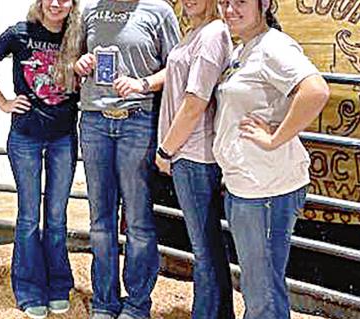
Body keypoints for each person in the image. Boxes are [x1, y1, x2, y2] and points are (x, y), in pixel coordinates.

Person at [214, 0, 330, 318]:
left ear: (264, 4)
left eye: (240, 2)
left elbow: (315, 90)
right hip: (246, 184)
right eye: (224, 2)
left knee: (262, 288)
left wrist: (276, 137)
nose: (230, 9)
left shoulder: (272, 47)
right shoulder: (244, 49)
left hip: (266, 187)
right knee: (258, 283)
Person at [0, 0, 81, 318]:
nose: (57, 4)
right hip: (25, 137)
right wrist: (3, 102)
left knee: (57, 217)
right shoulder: (19, 33)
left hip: (63, 137)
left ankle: (59, 285)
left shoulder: (78, 36)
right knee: (29, 217)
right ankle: (30, 289)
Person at [72, 1, 180, 318]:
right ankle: (104, 302)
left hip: (138, 120)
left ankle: (136, 305)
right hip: (94, 120)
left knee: (138, 220)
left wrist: (142, 84)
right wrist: (81, 64)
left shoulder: (158, 10)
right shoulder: (91, 8)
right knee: (100, 221)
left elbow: (175, 67)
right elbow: (75, 57)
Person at [155, 0, 234, 318]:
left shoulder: (212, 33)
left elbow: (195, 101)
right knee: (208, 246)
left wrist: (166, 149)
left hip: (195, 153)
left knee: (205, 249)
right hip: (190, 151)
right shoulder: (197, 32)